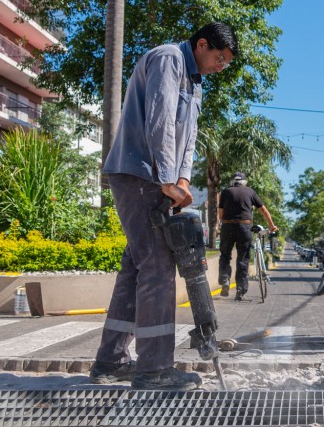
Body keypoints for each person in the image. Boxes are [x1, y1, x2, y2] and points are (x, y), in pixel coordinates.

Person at [90, 22, 237, 390]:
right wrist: (168, 180)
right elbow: (161, 121)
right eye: (219, 58)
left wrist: (183, 181)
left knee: (136, 266)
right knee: (157, 266)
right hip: (141, 175)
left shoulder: (196, 83)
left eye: (225, 63)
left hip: (158, 181)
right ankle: (154, 369)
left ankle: (111, 361)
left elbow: (189, 138)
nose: (220, 67)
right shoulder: (169, 59)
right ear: (201, 44)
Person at [217, 172, 278, 301]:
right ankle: (240, 290)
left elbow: (220, 213)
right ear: (244, 182)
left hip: (227, 226)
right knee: (243, 258)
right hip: (244, 227)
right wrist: (271, 225)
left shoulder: (225, 192)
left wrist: (225, 224)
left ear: (232, 182)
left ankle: (225, 279)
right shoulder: (250, 191)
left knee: (225, 255)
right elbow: (263, 210)